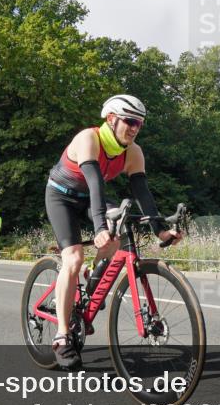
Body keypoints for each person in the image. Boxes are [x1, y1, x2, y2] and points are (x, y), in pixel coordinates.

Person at [45, 94, 182, 369]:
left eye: (139, 124)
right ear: (111, 119)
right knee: (73, 259)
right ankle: (62, 335)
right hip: (61, 196)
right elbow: (95, 183)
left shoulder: (133, 152)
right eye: (130, 121)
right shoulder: (89, 138)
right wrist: (98, 228)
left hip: (88, 199)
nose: (134, 128)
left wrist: (160, 231)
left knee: (116, 236)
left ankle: (90, 287)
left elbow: (142, 193)